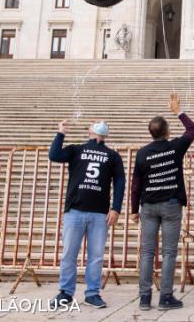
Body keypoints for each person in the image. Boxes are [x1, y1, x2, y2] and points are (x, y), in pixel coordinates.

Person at [130, 92, 194, 311]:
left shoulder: (142, 153)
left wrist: (133, 210)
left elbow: (136, 184)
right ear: (167, 132)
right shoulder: (175, 147)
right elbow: (192, 130)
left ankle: (144, 297)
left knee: (148, 252)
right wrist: (178, 111)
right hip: (170, 204)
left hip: (148, 205)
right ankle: (166, 296)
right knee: (169, 252)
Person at [49, 119, 126, 309]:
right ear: (89, 130)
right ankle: (65, 292)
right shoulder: (77, 149)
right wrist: (60, 134)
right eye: (94, 123)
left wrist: (116, 207)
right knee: (68, 254)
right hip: (75, 210)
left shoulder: (112, 155)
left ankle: (92, 293)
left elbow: (120, 181)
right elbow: (54, 155)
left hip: (100, 213)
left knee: (96, 256)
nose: (100, 123)